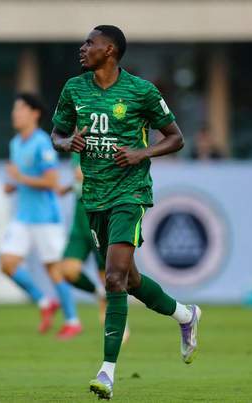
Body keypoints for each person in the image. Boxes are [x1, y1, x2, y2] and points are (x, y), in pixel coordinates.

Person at [51, 25, 201, 399]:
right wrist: (67, 143)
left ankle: (107, 372)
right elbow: (56, 134)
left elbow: (176, 138)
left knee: (114, 277)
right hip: (93, 198)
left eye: (90, 43)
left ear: (110, 50)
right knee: (130, 280)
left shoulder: (141, 91)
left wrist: (140, 153)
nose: (83, 48)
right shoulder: (74, 89)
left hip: (129, 194)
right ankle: (185, 315)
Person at [0, 93, 82, 340]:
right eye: (14, 110)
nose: (15, 114)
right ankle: (45, 302)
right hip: (23, 216)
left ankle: (72, 321)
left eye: (20, 109)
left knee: (54, 269)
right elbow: (24, 178)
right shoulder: (15, 143)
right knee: (6, 263)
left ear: (34, 113)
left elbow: (51, 181)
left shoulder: (42, 143)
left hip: (46, 217)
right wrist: (13, 185)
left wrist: (20, 178)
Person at [57, 153, 131, 343]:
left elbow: (97, 173)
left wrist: (88, 173)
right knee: (67, 270)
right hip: (80, 221)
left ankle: (119, 322)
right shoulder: (76, 148)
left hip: (100, 216)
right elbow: (78, 178)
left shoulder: (103, 143)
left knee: (108, 276)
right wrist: (68, 188)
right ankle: (99, 294)